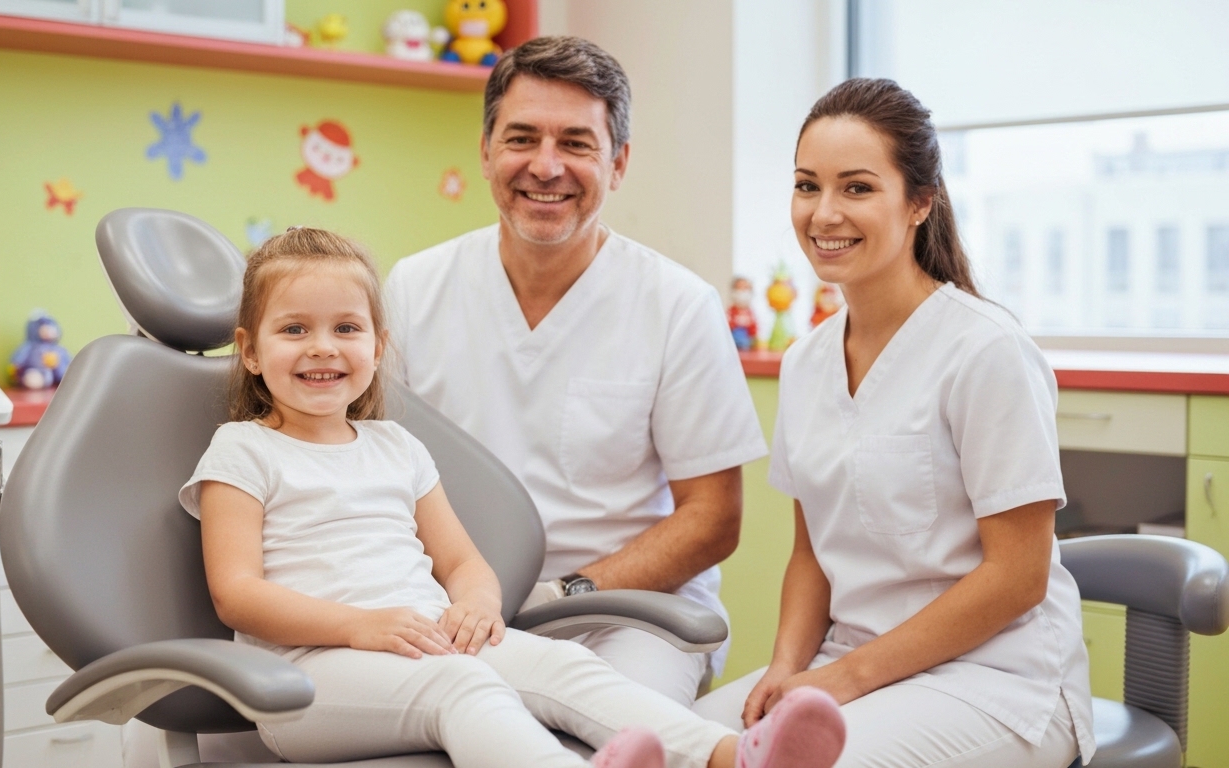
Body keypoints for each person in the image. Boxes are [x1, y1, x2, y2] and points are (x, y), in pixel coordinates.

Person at [180, 227, 847, 768]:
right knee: (463, 686)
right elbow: (236, 594)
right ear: (250, 351)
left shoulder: (397, 447)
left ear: (379, 347)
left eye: (346, 329)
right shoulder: (243, 451)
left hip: (423, 645)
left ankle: (733, 756)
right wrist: (359, 625)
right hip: (305, 677)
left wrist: (475, 603)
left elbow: (460, 561)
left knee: (564, 666)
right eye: (295, 330)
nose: (323, 348)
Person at [691, 79, 1095, 768]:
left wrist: (845, 679)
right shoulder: (806, 363)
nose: (823, 213)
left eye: (856, 188)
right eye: (807, 185)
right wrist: (786, 667)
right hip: (852, 662)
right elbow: (812, 554)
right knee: (680, 740)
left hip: (996, 678)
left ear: (920, 202)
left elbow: (1018, 576)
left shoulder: (985, 349)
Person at [385, 35, 767, 706]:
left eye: (576, 143)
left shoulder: (677, 305)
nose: (546, 165)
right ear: (486, 152)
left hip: (630, 614)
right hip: (460, 602)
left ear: (618, 163)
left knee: (611, 727)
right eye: (522, 138)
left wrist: (566, 593)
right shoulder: (415, 289)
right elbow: (374, 472)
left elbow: (713, 518)